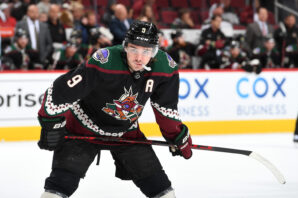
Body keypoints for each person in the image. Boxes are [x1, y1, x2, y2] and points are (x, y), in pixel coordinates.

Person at [37, 20, 193, 198]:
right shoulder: (105, 60)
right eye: (134, 49)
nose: (139, 57)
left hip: (126, 133)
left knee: (162, 189)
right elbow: (60, 91)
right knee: (58, 187)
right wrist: (50, 123)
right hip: (82, 129)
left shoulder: (166, 67)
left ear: (155, 51)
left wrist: (177, 136)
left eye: (146, 51)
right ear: (125, 46)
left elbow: (165, 108)